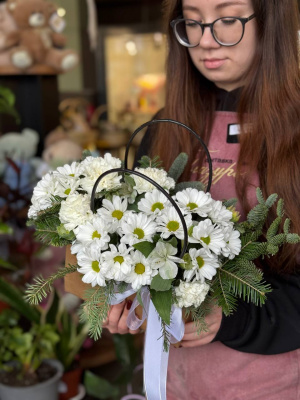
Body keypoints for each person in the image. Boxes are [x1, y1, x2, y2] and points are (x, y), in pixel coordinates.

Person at [103, 0, 300, 398]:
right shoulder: (164, 127)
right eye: (192, 22)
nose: (206, 41)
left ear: (270, 22)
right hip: (174, 382)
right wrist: (122, 296)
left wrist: (230, 320)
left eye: (228, 20)